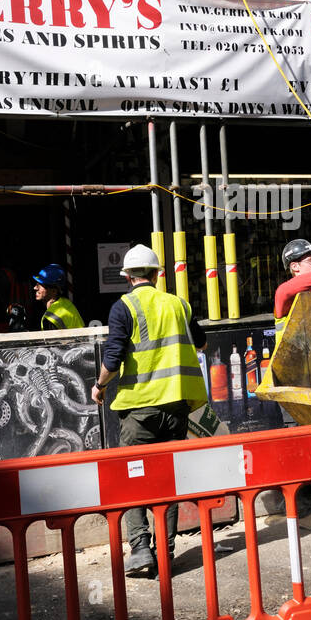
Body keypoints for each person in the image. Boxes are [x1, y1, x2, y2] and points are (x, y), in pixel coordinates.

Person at [92, 244, 208, 578]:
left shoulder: (123, 307)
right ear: (158, 275)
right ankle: (165, 554)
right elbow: (201, 343)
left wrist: (99, 386)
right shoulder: (179, 305)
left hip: (139, 410)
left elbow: (113, 359)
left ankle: (141, 549)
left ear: (127, 276)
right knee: (165, 482)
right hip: (176, 407)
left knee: (134, 480)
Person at [33, 264, 85, 331]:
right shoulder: (66, 303)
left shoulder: (50, 318)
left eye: (39, 285)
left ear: (54, 291)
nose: (35, 288)